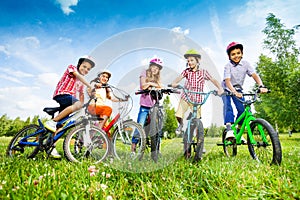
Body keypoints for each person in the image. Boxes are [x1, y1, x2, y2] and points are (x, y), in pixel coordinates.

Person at [44, 55, 95, 158]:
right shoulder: (72, 68)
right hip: (62, 94)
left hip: (68, 100)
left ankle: (51, 146)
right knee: (77, 105)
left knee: (61, 126)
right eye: (84, 66)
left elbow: (81, 94)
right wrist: (89, 85)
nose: (85, 70)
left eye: (88, 69)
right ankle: (52, 121)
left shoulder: (81, 82)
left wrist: (90, 96)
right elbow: (77, 75)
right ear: (79, 64)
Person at [222, 42, 268, 140]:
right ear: (229, 56)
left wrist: (261, 86)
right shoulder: (228, 66)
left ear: (242, 53)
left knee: (242, 109)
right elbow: (227, 81)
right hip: (226, 88)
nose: (236, 56)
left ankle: (238, 131)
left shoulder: (246, 64)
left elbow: (254, 75)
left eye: (238, 53)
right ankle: (229, 129)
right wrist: (234, 92)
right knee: (228, 106)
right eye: (233, 54)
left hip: (238, 89)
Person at [171, 49, 224, 134]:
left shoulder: (203, 72)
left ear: (197, 60)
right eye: (188, 61)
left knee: (197, 120)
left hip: (197, 99)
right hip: (186, 97)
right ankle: (181, 124)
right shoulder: (186, 71)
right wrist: (174, 83)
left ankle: (198, 139)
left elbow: (213, 80)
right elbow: (178, 78)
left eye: (192, 60)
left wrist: (220, 88)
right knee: (178, 114)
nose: (190, 62)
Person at [131, 58, 163, 155]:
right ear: (150, 66)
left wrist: (151, 84)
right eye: (153, 66)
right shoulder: (144, 72)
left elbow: (160, 86)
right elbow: (143, 86)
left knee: (158, 126)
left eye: (157, 68)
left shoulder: (157, 77)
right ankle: (133, 148)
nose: (155, 69)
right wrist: (150, 84)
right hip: (145, 105)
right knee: (140, 125)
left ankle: (157, 149)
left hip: (155, 106)